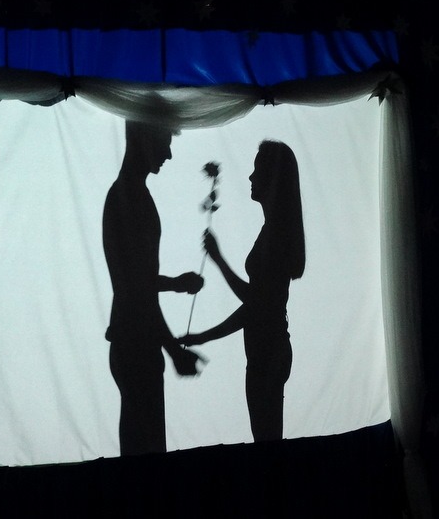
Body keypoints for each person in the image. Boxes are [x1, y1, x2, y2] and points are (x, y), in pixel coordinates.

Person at [179, 139, 306, 442]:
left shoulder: (275, 234)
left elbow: (256, 304)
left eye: (257, 170)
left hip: (267, 355)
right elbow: (258, 304)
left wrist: (218, 259)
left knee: (267, 444)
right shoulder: (274, 230)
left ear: (272, 178)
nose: (250, 176)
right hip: (269, 352)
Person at [102, 118, 207, 456]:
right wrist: (173, 350)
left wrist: (174, 284)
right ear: (144, 138)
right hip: (136, 345)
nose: (169, 154)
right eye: (165, 142)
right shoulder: (132, 198)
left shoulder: (126, 195)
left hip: (131, 342)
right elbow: (137, 290)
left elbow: (134, 282)